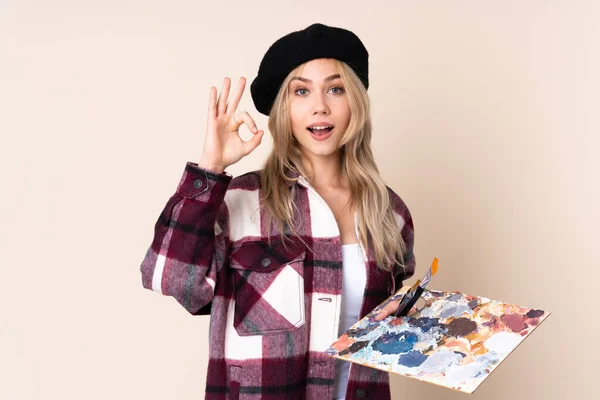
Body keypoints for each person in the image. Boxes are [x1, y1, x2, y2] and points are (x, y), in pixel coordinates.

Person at [140, 23, 415, 400]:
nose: (320, 105)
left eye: (335, 89)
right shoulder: (240, 201)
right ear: (283, 109)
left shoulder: (390, 214)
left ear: (355, 102)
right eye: (301, 91)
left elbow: (386, 330)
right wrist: (210, 167)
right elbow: (169, 278)